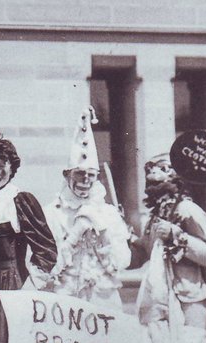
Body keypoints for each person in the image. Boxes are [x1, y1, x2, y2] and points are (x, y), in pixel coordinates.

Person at [130, 153, 206, 343]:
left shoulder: (187, 210)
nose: (153, 178)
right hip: (159, 299)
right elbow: (142, 254)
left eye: (161, 171)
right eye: (150, 175)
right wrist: (123, 240)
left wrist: (176, 235)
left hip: (189, 298)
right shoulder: (154, 217)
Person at [27, 107, 132, 310]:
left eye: (90, 175)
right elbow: (45, 268)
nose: (85, 180)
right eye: (79, 174)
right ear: (67, 175)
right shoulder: (52, 213)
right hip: (66, 301)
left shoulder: (108, 213)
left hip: (103, 299)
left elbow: (122, 262)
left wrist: (102, 231)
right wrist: (75, 233)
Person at [0, 130, 58, 343]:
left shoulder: (20, 200)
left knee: (4, 342)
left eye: (0, 165)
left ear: (11, 168)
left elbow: (46, 250)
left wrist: (30, 286)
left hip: (10, 286)